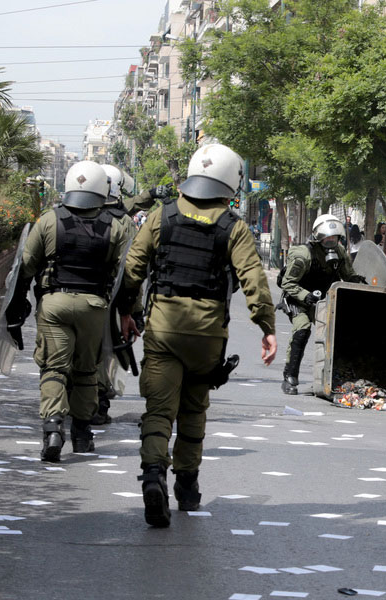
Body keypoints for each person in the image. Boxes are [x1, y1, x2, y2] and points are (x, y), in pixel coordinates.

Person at [115, 143, 278, 527]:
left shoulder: (161, 217)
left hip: (164, 327)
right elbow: (253, 280)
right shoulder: (233, 226)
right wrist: (267, 328)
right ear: (230, 183)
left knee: (159, 411)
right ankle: (187, 488)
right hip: (207, 333)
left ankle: (153, 474)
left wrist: (127, 312)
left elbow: (133, 268)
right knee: (193, 410)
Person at [4, 161, 134, 462]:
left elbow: (26, 266)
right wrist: (129, 312)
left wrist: (19, 304)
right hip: (94, 308)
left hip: (54, 304)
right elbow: (125, 276)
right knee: (87, 370)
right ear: (103, 189)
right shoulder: (114, 226)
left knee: (54, 368)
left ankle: (52, 430)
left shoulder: (49, 220)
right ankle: (82, 434)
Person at [278, 214, 365, 395]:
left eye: (334, 238)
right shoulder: (303, 254)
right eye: (327, 238)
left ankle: (335, 378)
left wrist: (360, 282)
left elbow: (348, 276)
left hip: (323, 302)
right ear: (319, 237)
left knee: (336, 334)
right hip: (298, 300)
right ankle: (290, 376)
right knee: (302, 329)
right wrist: (305, 295)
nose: (331, 241)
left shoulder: (340, 253)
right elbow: (287, 283)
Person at [90, 165, 142, 426]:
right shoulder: (122, 223)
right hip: (106, 298)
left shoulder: (61, 216)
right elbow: (132, 271)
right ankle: (98, 403)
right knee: (103, 352)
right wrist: (133, 310)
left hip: (64, 294)